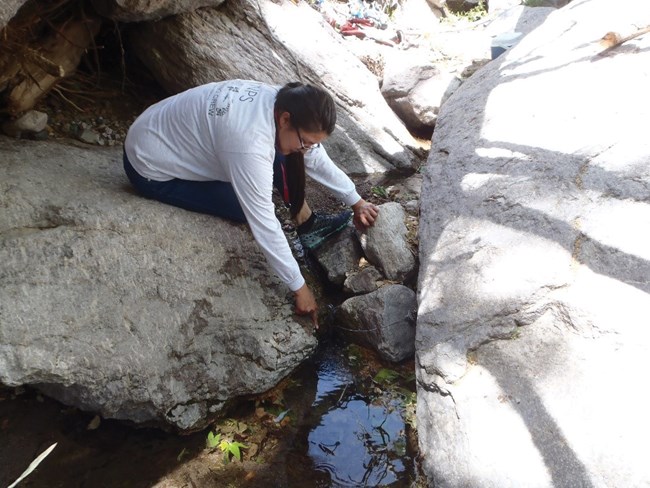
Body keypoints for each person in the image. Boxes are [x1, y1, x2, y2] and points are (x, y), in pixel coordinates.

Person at [123, 79, 378, 329]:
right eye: (307, 142)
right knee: (242, 206)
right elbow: (263, 220)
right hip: (149, 165)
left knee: (288, 152)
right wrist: (299, 287)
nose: (308, 148)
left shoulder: (279, 103)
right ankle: (298, 224)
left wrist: (356, 201)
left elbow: (314, 155)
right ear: (285, 119)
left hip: (160, 127)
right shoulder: (248, 142)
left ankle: (305, 221)